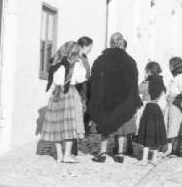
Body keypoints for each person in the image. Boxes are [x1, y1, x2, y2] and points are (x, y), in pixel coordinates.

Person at [88, 33, 141, 163]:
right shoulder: (130, 61)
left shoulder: (101, 59)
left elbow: (94, 79)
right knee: (122, 126)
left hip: (106, 98)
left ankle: (103, 153)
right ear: (122, 44)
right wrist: (134, 99)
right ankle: (120, 154)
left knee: (105, 125)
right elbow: (133, 81)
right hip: (124, 99)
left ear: (111, 43)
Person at [40, 41, 85, 163]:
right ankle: (67, 155)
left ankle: (59, 155)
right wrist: (81, 66)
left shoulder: (56, 63)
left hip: (56, 94)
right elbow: (80, 79)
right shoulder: (74, 65)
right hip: (68, 92)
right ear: (74, 52)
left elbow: (52, 82)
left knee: (57, 125)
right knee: (70, 125)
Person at [135, 61, 168, 165]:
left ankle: (144, 160)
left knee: (147, 134)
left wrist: (144, 80)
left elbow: (137, 91)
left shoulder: (146, 83)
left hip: (148, 109)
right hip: (157, 109)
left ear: (148, 71)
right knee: (156, 134)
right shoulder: (161, 83)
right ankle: (154, 158)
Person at [163, 57, 182, 157]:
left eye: (170, 66)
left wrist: (177, 97)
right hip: (171, 104)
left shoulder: (180, 78)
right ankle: (172, 148)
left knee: (175, 127)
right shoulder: (178, 77)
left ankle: (174, 148)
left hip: (176, 104)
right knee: (170, 125)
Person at [71, 36, 93, 156]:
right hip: (78, 89)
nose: (90, 50)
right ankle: (73, 147)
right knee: (76, 117)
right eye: (89, 47)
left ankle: (78, 144)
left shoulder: (84, 58)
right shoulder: (76, 58)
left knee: (83, 117)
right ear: (84, 46)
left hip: (85, 89)